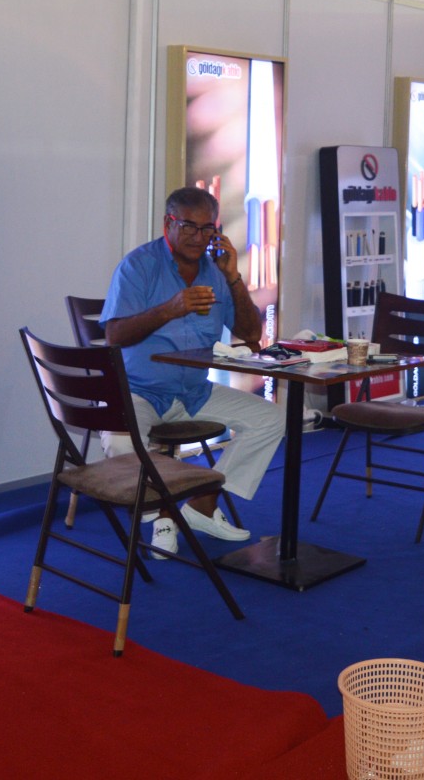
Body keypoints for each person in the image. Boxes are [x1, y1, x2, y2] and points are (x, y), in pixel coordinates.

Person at [99, 186, 286, 557]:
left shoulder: (215, 273)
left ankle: (201, 504)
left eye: (207, 229)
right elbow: (114, 336)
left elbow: (251, 335)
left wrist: (233, 277)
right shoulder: (139, 266)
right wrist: (169, 309)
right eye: (188, 226)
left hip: (194, 393)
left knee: (272, 419)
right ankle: (163, 514)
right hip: (139, 390)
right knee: (120, 443)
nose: (198, 237)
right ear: (168, 223)